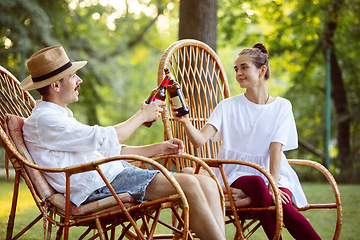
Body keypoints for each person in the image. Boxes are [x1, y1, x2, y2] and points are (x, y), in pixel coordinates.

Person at [20, 46, 225, 240]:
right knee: (189, 183)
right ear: (56, 85)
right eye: (73, 76)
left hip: (111, 176)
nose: (79, 80)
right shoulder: (45, 120)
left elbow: (105, 151)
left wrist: (158, 148)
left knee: (205, 181)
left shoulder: (57, 116)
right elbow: (104, 138)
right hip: (98, 187)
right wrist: (141, 115)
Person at [172, 43, 321, 240]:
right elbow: (199, 140)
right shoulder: (227, 106)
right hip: (236, 172)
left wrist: (273, 185)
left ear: (262, 70)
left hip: (274, 172)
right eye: (236, 69)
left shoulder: (282, 107)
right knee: (259, 183)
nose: (239, 73)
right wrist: (186, 122)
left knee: (281, 201)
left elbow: (276, 149)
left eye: (244, 67)